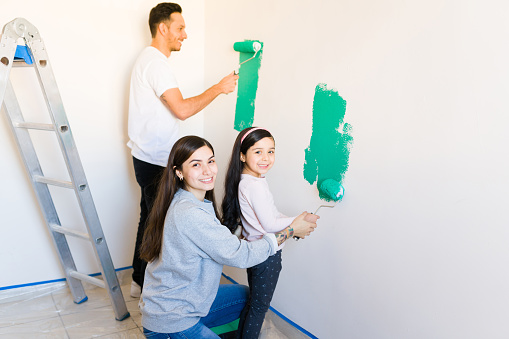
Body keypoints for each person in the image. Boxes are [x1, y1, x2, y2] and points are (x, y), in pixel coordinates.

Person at [138, 136, 317, 338]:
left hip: (183, 302)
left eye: (211, 161)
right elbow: (241, 256)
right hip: (171, 321)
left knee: (245, 296)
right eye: (196, 164)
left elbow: (215, 238)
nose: (207, 171)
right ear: (178, 171)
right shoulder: (189, 213)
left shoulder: (188, 200)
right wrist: (291, 230)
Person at [127, 2, 239, 297]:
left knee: (150, 218)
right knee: (162, 224)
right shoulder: (155, 63)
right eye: (180, 28)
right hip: (154, 162)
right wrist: (219, 87)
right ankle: (154, 293)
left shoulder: (149, 61)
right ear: (163, 28)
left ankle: (139, 284)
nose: (185, 35)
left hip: (147, 157)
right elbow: (182, 110)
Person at [221, 127, 319, 338]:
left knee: (254, 303)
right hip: (267, 257)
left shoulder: (250, 180)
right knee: (258, 308)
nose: (266, 158)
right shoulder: (254, 185)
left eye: (271, 151)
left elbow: (271, 214)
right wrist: (297, 222)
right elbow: (269, 223)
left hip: (257, 253)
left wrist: (296, 220)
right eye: (258, 152)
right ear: (242, 155)